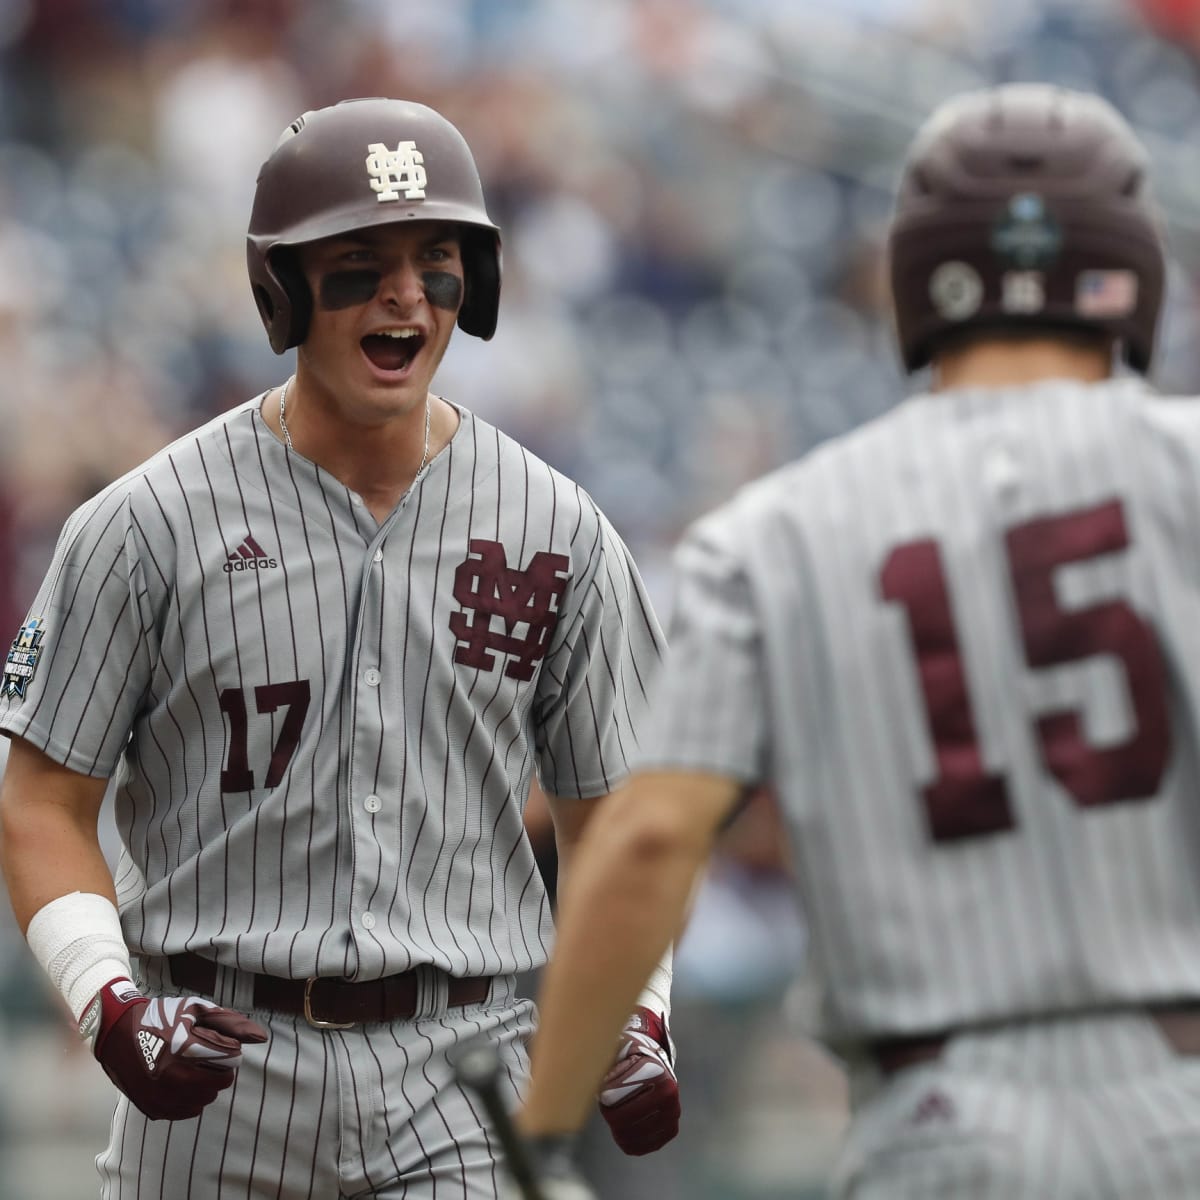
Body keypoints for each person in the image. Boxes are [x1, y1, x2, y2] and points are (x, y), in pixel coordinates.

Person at [516, 81, 1200, 1199]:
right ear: (1131, 266)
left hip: (938, 1122)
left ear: (918, 275)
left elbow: (646, 844)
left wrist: (541, 1127)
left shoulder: (777, 527)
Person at [0, 97, 680, 1199]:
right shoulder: (146, 524)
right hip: (215, 1063)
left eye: (435, 258)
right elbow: (41, 798)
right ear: (282, 288)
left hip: (463, 1071)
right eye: (360, 262)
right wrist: (110, 1003)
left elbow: (625, 820)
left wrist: (639, 1012)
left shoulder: (559, 527)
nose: (405, 292)